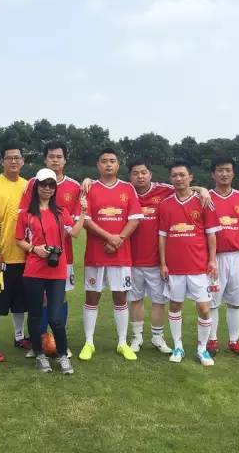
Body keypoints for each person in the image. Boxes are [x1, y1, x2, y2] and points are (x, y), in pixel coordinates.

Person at [126, 159, 213, 354]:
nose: (140, 176)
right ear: (130, 176)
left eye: (143, 172)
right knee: (135, 299)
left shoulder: (164, 190)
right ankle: (137, 338)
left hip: (157, 261)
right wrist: (88, 180)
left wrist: (202, 189)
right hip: (131, 258)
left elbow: (184, 186)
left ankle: (157, 337)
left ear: (150, 174)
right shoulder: (126, 191)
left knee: (159, 301)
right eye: (135, 173)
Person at [16, 168, 87, 374]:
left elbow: (75, 233)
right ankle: (39, 354)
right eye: (43, 185)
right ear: (36, 186)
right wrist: (34, 249)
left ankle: (62, 355)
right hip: (34, 270)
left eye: (51, 185)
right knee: (36, 315)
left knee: (55, 318)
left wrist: (83, 212)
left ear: (55, 188)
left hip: (56, 271)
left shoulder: (61, 212)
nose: (47, 189)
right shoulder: (26, 214)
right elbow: (18, 239)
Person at [79, 148, 143, 361]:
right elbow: (85, 219)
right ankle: (89, 342)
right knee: (92, 296)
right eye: (104, 161)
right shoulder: (89, 188)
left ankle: (122, 343)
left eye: (112, 161)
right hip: (96, 254)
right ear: (98, 165)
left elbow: (134, 218)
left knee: (120, 297)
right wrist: (109, 237)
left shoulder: (128, 188)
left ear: (118, 165)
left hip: (120, 255)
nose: (108, 164)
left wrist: (119, 240)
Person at [158, 161, 221, 366]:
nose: (178, 179)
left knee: (204, 308)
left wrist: (212, 260)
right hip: (175, 267)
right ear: (170, 179)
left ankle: (202, 349)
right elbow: (163, 236)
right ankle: (178, 346)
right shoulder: (165, 204)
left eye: (182, 175)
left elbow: (211, 234)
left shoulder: (204, 201)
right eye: (174, 175)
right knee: (175, 305)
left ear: (190, 177)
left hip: (199, 266)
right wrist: (163, 263)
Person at [0, 142, 30, 361]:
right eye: (9, 158)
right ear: (2, 161)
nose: (13, 161)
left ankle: (19, 336)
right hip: (1, 257)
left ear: (23, 161)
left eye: (17, 157)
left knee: (20, 302)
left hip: (25, 256)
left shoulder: (28, 185)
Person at [207, 157, 239, 358]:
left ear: (233, 173)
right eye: (220, 170)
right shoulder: (205, 197)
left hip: (238, 257)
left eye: (228, 170)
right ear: (213, 174)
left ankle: (234, 341)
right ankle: (212, 341)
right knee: (212, 301)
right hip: (214, 258)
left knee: (236, 301)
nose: (224, 174)